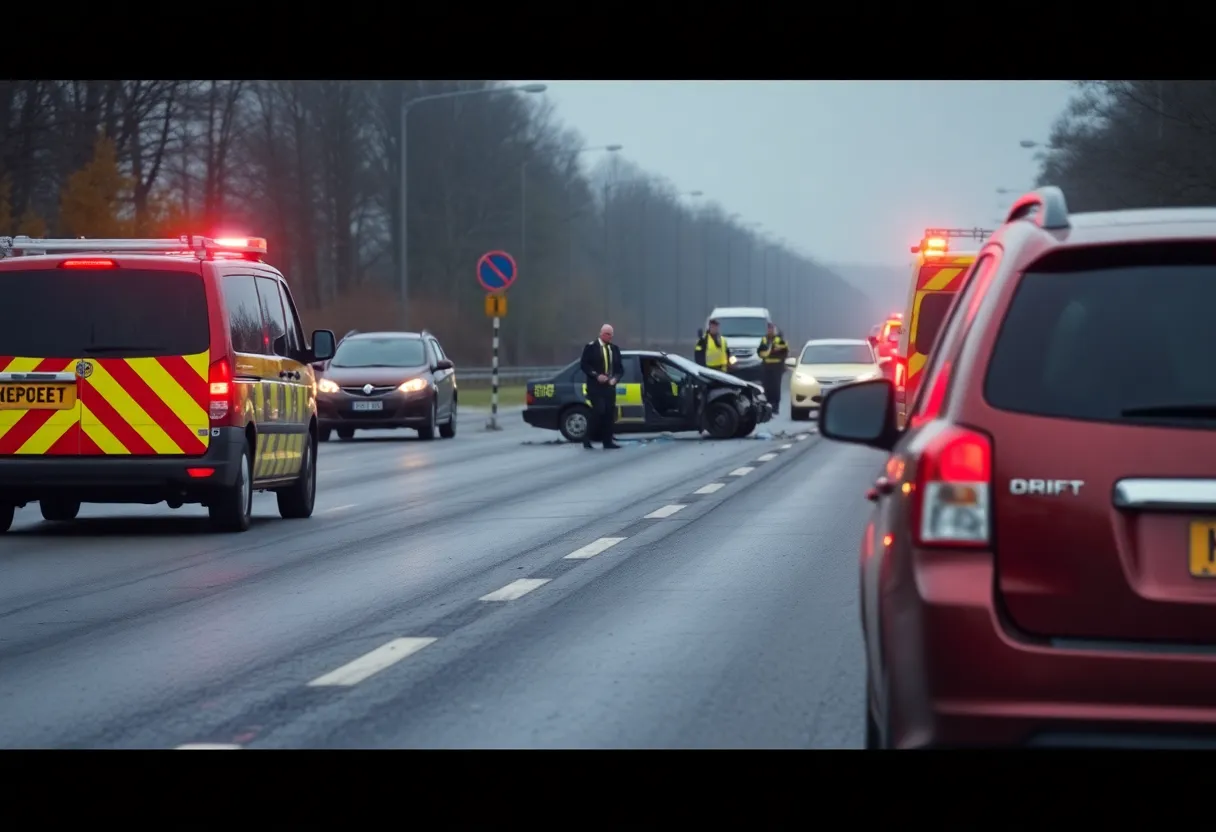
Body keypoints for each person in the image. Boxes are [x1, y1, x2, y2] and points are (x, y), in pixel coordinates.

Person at [579, 323, 624, 449]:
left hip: (609, 387)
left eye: (611, 335)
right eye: (608, 334)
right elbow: (584, 365)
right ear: (601, 333)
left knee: (609, 413)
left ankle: (607, 441)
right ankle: (587, 439)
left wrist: (615, 378)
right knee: (599, 411)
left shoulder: (614, 349)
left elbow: (620, 369)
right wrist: (596, 375)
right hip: (595, 387)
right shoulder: (591, 347)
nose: (610, 337)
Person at [757, 321, 790, 408]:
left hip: (776, 367)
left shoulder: (780, 340)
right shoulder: (764, 340)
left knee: (775, 387)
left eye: (771, 329)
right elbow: (759, 352)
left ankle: (775, 406)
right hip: (766, 366)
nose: (770, 330)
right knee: (766, 386)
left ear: (774, 330)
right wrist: (766, 354)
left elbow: (785, 352)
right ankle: (768, 405)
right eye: (768, 329)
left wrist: (777, 355)